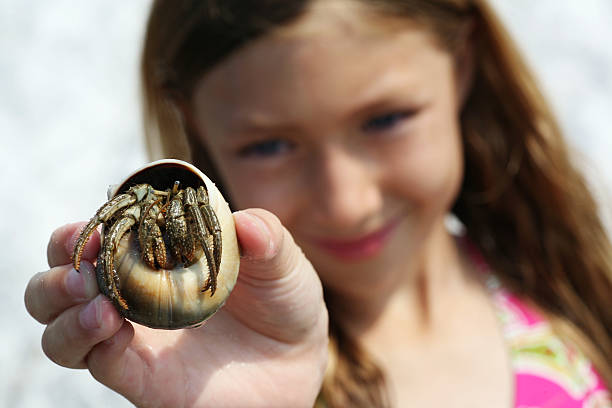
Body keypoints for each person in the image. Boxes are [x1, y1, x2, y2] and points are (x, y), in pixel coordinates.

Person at [25, 0, 612, 406]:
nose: (347, 202)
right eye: (270, 145)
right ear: (197, 130)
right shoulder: (242, 362)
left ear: (462, 68)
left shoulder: (564, 280)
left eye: (386, 119)